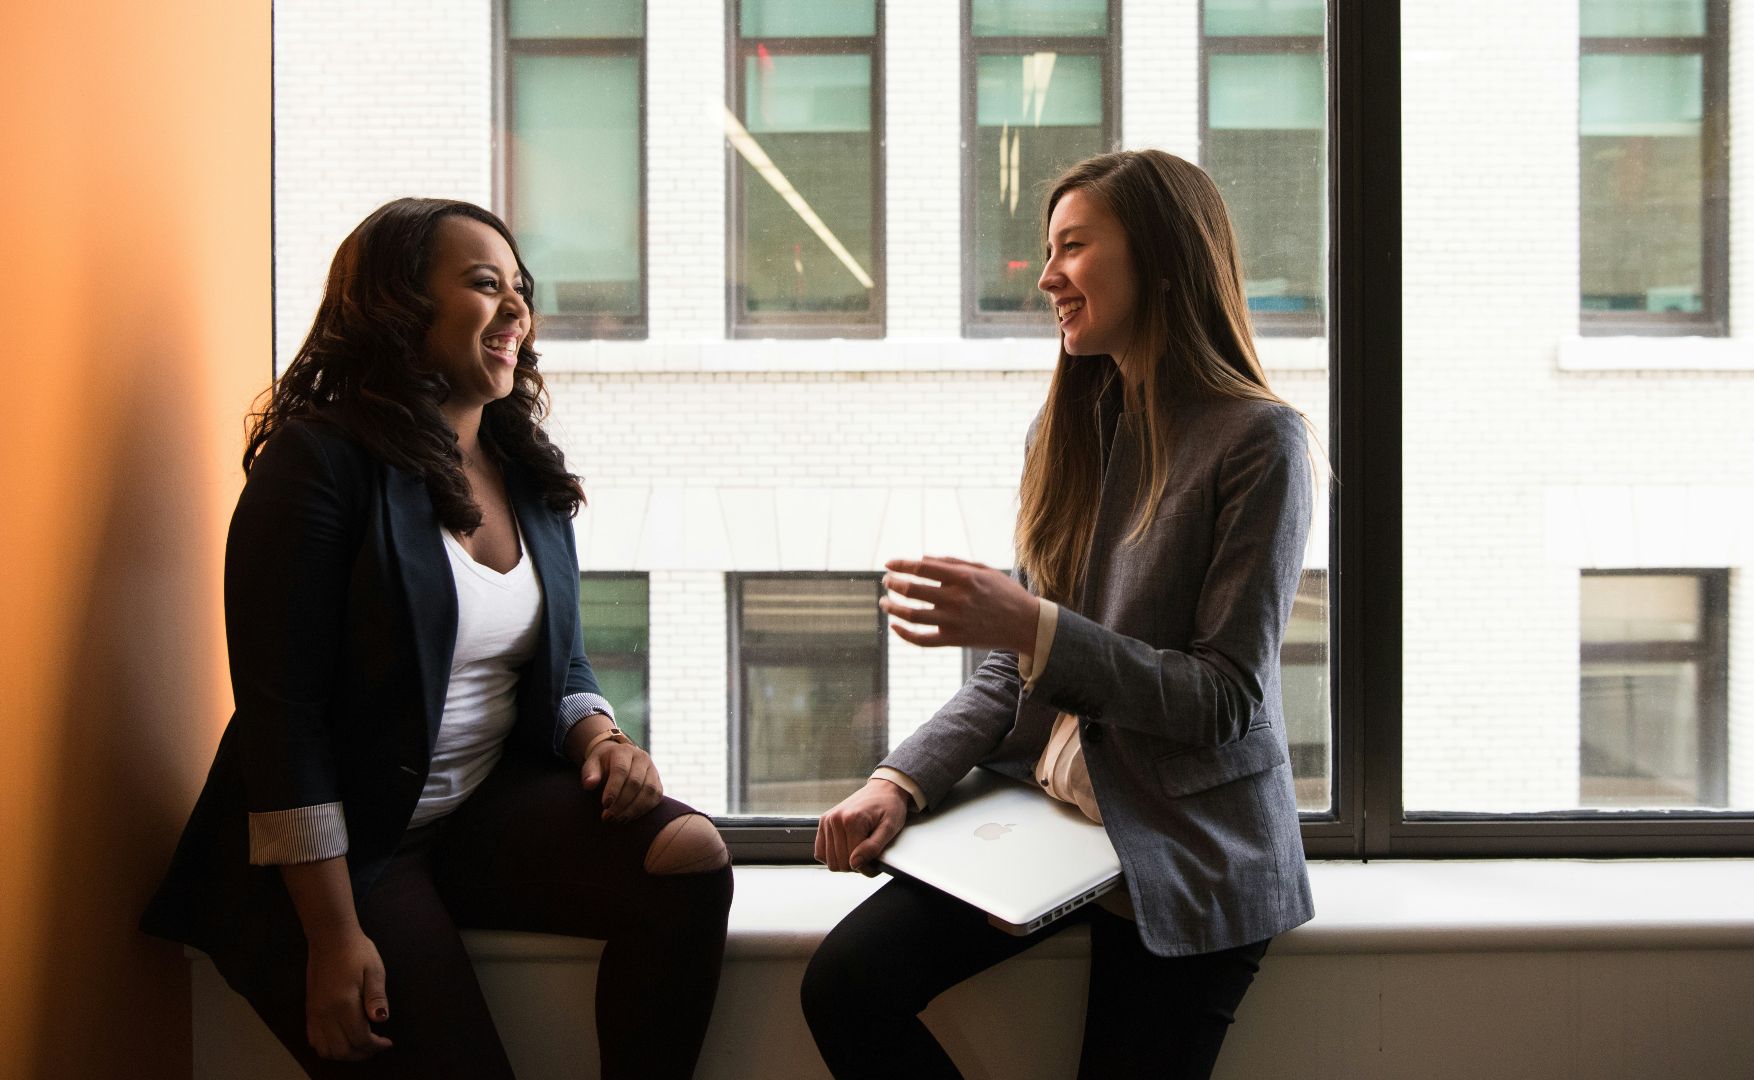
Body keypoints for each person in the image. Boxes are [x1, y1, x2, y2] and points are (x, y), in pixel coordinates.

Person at [141, 198, 733, 1079]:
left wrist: (600, 735)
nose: (516, 310)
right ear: (397, 305)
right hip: (338, 857)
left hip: (466, 813)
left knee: (690, 858)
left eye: (522, 291)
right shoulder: (317, 464)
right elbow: (283, 717)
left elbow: (556, 659)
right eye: (485, 284)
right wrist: (333, 938)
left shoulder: (522, 467)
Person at [802, 150, 1316, 1080]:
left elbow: (1225, 698)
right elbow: (1014, 669)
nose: (1046, 277)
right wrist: (899, 782)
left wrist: (1031, 628)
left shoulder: (1259, 440)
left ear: (1161, 259)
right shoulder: (1068, 430)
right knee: (844, 985)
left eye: (1073, 247)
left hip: (1188, 845)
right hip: (1056, 820)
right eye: (1048, 251)